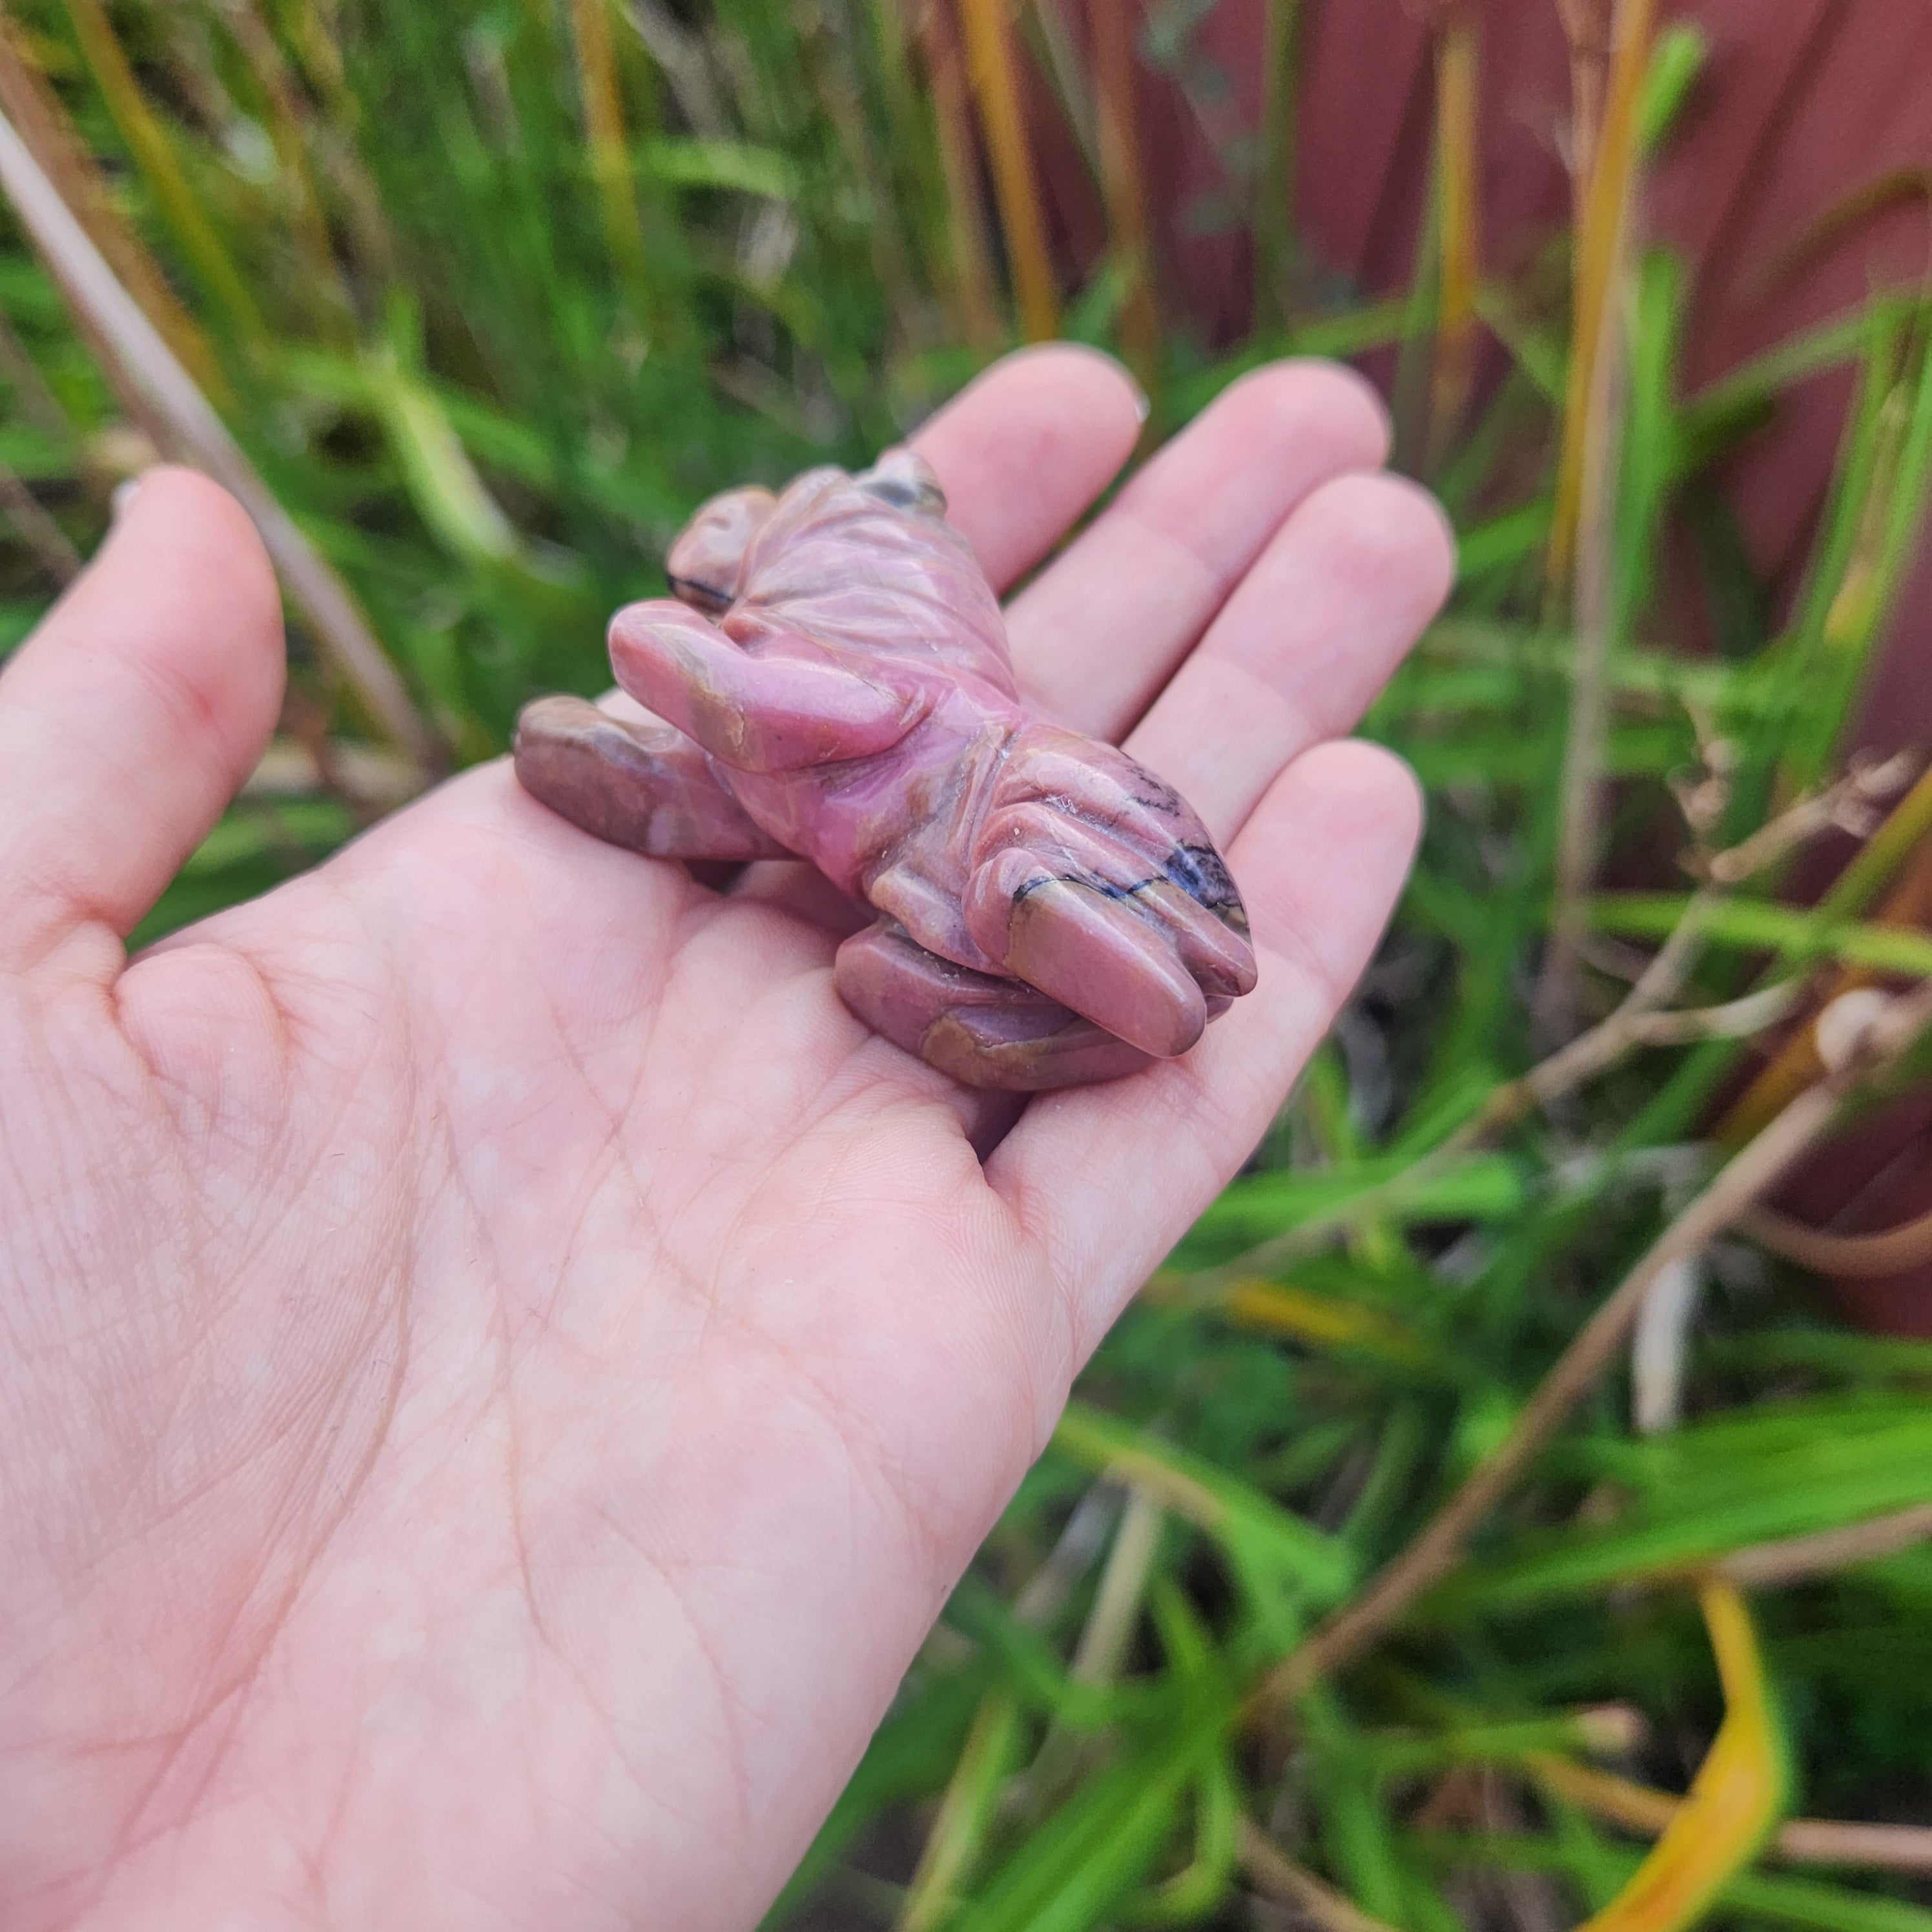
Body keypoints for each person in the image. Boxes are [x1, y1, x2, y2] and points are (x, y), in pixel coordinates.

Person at [0, 344, 1450, 1928]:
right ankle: (948, 928)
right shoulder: (862, 666)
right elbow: (695, 695)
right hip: (850, 813)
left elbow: (684, 662)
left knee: (999, 877)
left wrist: (713, 657)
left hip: (950, 822)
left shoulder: (904, 706)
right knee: (734, 798)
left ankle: (1015, 951)